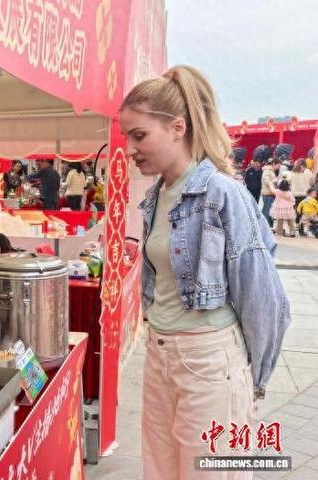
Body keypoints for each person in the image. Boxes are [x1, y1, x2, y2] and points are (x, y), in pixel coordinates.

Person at [119, 65, 290, 479]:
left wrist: (255, 380)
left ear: (177, 127)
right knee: (159, 470)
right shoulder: (157, 196)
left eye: (139, 135)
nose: (129, 148)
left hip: (210, 360)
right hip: (160, 356)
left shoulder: (223, 193)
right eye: (127, 136)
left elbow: (264, 301)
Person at [289, 160, 314, 234]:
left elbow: (289, 182)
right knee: (304, 213)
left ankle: (293, 229)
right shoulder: (308, 172)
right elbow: (312, 182)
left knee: (295, 212)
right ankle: (301, 230)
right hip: (305, 195)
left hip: (294, 194)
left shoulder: (292, 172)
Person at [260, 158, 281, 227]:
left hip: (271, 192)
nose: (278, 167)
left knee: (270, 209)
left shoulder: (271, 171)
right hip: (267, 192)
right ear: (274, 164)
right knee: (267, 209)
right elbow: (267, 181)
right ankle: (265, 224)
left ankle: (268, 224)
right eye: (278, 165)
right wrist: (275, 181)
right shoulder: (267, 170)